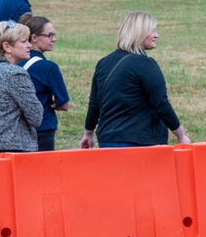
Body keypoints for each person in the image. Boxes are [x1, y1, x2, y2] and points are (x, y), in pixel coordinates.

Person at [80, 11, 190, 149]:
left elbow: (94, 103)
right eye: (152, 31)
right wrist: (181, 136)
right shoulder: (145, 64)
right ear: (140, 33)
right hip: (140, 141)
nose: (157, 35)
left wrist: (88, 134)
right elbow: (161, 104)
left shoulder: (104, 63)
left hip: (107, 140)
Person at [0, 20, 43, 155]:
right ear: (7, 47)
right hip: (11, 150)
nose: (29, 45)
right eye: (24, 41)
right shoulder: (15, 74)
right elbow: (36, 117)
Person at [20, 14, 69, 151]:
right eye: (50, 35)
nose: (54, 39)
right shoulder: (48, 68)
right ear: (34, 38)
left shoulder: (15, 63)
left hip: (18, 129)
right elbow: (64, 104)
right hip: (43, 128)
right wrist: (54, 104)